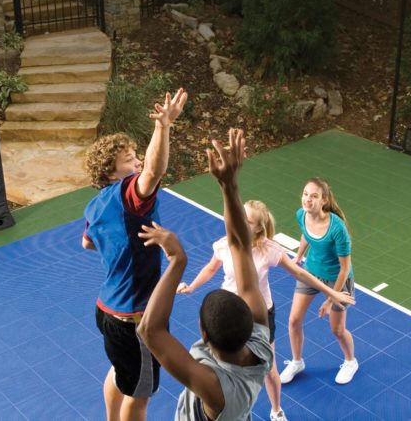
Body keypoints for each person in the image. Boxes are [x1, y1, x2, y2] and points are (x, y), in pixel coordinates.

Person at [137, 129, 355, 421]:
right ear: (251, 323)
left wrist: (177, 260)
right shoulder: (260, 345)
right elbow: (239, 246)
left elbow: (149, 330)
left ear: (203, 334)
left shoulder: (214, 388)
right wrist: (229, 185)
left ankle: (280, 409)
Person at [177, 199, 357, 421]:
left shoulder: (269, 250)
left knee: (268, 367)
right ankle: (219, 405)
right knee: (216, 362)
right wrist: (192, 285)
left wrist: (331, 293)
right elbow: (211, 267)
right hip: (228, 315)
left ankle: (276, 410)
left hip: (259, 316)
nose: (241, 222)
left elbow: (300, 274)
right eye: (240, 216)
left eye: (248, 220)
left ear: (259, 227)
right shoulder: (225, 244)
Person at [82, 88, 187, 421]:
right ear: (113, 174)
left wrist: (122, 243)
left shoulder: (95, 204)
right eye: (130, 160)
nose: (138, 161)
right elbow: (154, 173)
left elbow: (87, 242)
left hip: (106, 311)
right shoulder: (130, 196)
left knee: (120, 372)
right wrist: (163, 126)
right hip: (134, 321)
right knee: (140, 395)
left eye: (137, 156)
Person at [280, 177, 357, 386]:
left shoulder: (337, 229)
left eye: (314, 196)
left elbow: (344, 268)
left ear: (323, 200)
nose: (308, 199)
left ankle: (351, 361)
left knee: (337, 330)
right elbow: (306, 234)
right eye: (306, 194)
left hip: (337, 279)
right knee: (294, 320)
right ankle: (297, 362)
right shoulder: (301, 214)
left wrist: (330, 300)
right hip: (311, 273)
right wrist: (298, 256)